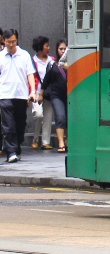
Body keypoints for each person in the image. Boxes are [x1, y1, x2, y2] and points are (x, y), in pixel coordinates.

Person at [0, 29, 40, 163]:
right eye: (8, 42)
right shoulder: (0, 56)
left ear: (17, 40)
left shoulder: (24, 55)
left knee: (20, 124)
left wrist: (32, 91)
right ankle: (10, 152)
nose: (11, 45)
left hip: (21, 95)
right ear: (3, 41)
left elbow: (30, 74)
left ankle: (16, 148)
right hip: (5, 94)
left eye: (13, 41)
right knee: (8, 125)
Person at [28, 36, 55, 150]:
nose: (48, 48)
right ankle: (35, 139)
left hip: (48, 92)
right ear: (40, 47)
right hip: (37, 92)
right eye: (46, 46)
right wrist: (32, 92)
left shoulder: (51, 60)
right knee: (38, 115)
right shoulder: (32, 61)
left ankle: (45, 142)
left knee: (48, 116)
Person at [41, 42, 68, 152]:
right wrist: (41, 94)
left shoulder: (73, 64)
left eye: (65, 49)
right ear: (57, 50)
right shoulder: (53, 64)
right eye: (60, 49)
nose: (63, 51)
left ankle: (67, 140)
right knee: (60, 116)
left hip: (70, 95)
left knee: (69, 117)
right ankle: (61, 142)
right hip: (56, 95)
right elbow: (46, 80)